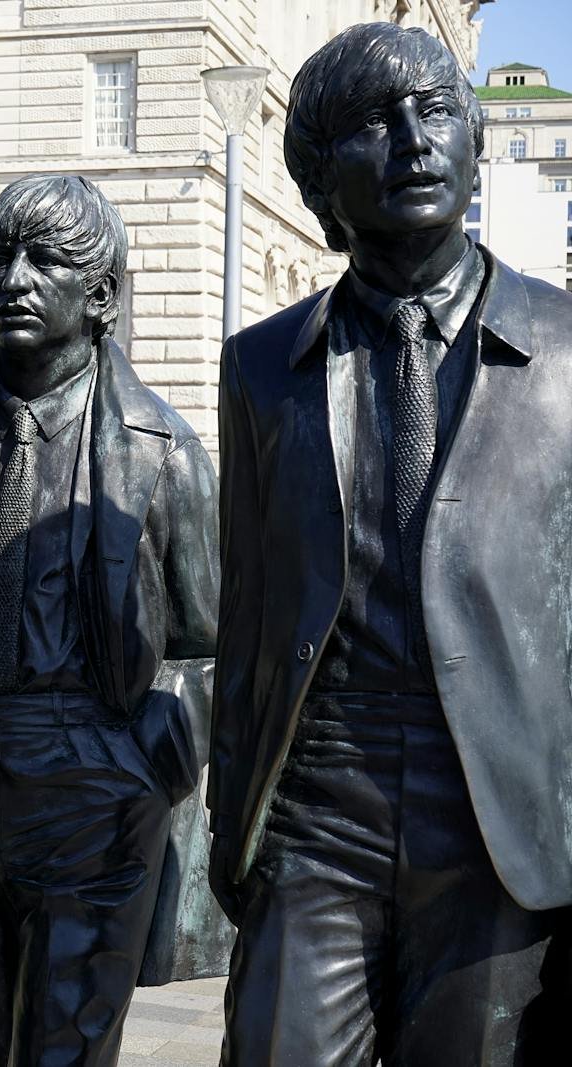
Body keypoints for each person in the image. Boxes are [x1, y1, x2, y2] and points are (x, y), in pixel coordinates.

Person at [210, 23, 572, 1064]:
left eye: (437, 112)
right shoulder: (261, 366)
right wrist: (233, 825)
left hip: (504, 816)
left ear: (472, 142)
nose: (414, 140)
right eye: (375, 121)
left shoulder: (561, 349)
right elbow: (247, 611)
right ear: (321, 177)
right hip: (320, 804)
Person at [0, 174, 221, 1067]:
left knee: (65, 1045)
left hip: (96, 779)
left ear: (99, 295)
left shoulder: (162, 451)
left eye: (44, 261)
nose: (12, 279)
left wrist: (143, 765)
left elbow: (207, 645)